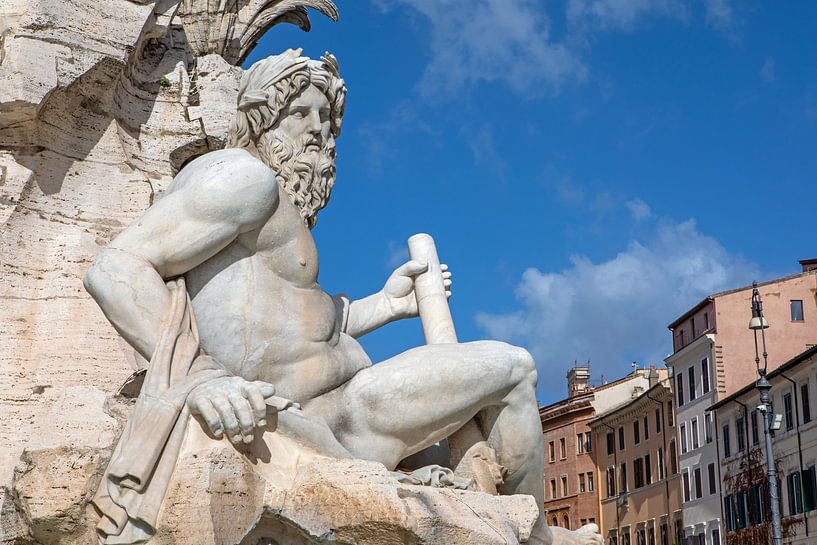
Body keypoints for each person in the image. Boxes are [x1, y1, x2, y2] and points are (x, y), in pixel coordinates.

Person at [84, 49, 601, 545]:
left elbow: (298, 326)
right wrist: (199, 380)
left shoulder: (279, 211)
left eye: (326, 118)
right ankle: (535, 539)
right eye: (300, 112)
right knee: (513, 367)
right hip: (322, 415)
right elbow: (116, 267)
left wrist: (388, 304)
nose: (318, 129)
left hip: (346, 408)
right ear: (262, 117)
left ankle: (525, 528)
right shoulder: (242, 177)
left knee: (482, 425)